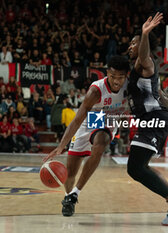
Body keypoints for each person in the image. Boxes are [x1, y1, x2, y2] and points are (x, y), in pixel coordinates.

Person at [43, 55, 130, 217]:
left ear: (126, 75)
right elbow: (77, 120)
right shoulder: (95, 91)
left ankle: (75, 193)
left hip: (109, 119)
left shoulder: (131, 87)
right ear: (107, 74)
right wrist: (61, 146)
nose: (117, 81)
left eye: (121, 77)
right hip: (91, 118)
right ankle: (68, 197)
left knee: (101, 143)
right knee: (70, 171)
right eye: (113, 77)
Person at [126, 12, 168, 226]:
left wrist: (144, 34)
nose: (130, 47)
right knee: (138, 167)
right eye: (130, 44)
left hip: (154, 118)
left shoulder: (144, 62)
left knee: (135, 168)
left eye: (133, 44)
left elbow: (143, 54)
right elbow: (159, 91)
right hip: (153, 117)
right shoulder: (143, 71)